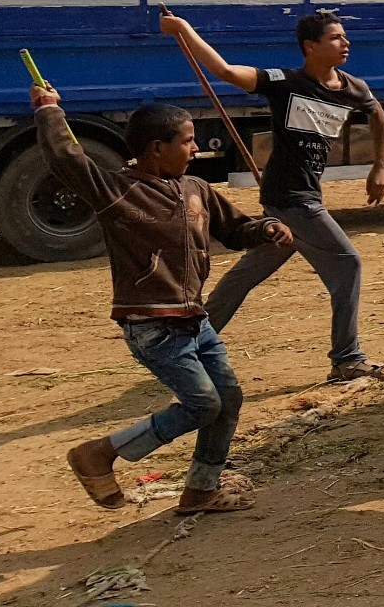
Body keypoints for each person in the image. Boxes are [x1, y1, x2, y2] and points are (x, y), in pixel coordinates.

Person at [39, 86, 293, 514]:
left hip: (197, 320)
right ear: (157, 148)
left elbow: (235, 230)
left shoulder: (195, 188)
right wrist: (49, 112)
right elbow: (68, 159)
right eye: (188, 141)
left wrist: (264, 230)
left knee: (227, 399)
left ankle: (201, 490)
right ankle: (99, 453)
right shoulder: (118, 192)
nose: (195, 149)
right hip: (153, 326)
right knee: (203, 403)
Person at [159, 10, 384, 383]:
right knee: (348, 264)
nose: (345, 42)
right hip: (292, 199)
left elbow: (377, 113)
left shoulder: (353, 87)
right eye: (335, 37)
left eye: (344, 36)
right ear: (310, 46)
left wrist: (380, 165)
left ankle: (187, 343)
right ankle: (346, 359)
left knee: (246, 274)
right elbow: (224, 70)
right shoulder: (284, 83)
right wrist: (184, 29)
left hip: (297, 196)